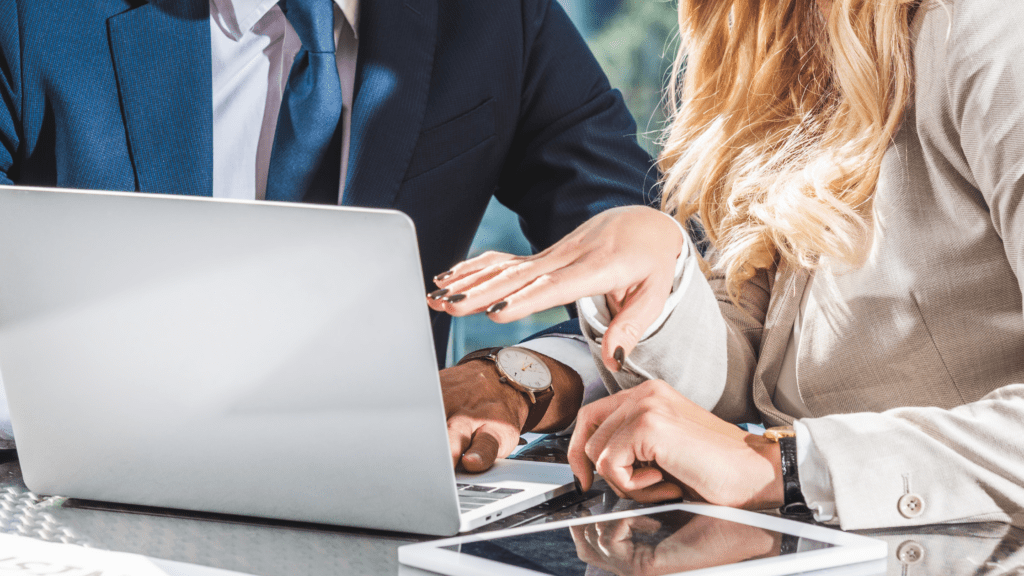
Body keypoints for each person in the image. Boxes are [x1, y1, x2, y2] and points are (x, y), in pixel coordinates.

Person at [432, 0, 1024, 530]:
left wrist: (784, 465)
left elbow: (763, 448)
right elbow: (760, 367)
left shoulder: (989, 32)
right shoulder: (775, 39)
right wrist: (658, 277)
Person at [0, 0, 655, 443]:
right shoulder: (30, 19)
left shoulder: (492, 17)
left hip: (378, 506)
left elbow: (652, 257)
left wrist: (512, 377)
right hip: (80, 490)